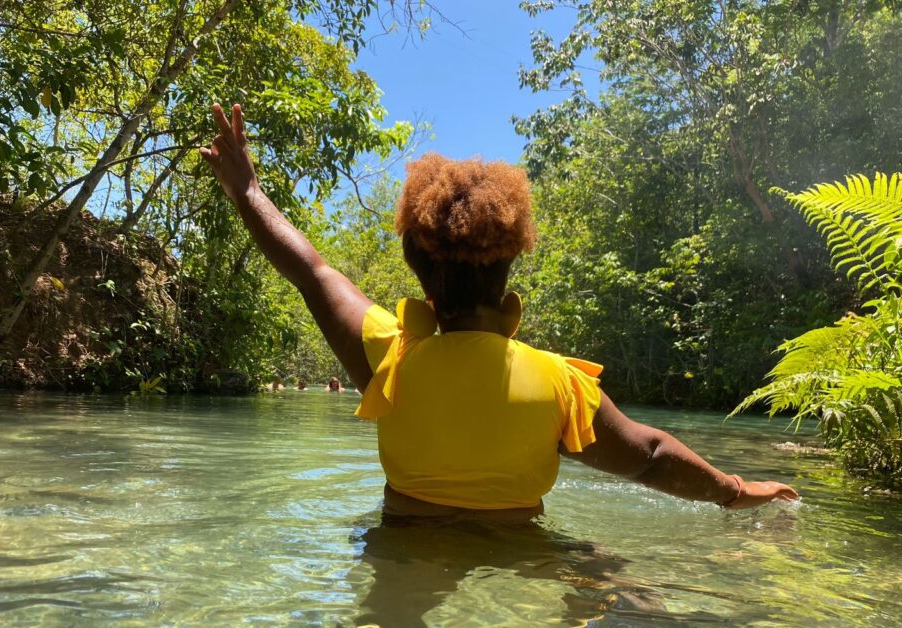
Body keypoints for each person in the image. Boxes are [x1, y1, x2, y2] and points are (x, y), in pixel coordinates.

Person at [199, 103, 799, 515]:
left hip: (404, 558)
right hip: (526, 564)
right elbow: (652, 458)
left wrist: (247, 192)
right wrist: (736, 490)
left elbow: (313, 273)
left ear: (422, 286)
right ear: (509, 290)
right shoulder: (559, 385)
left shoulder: (389, 358)